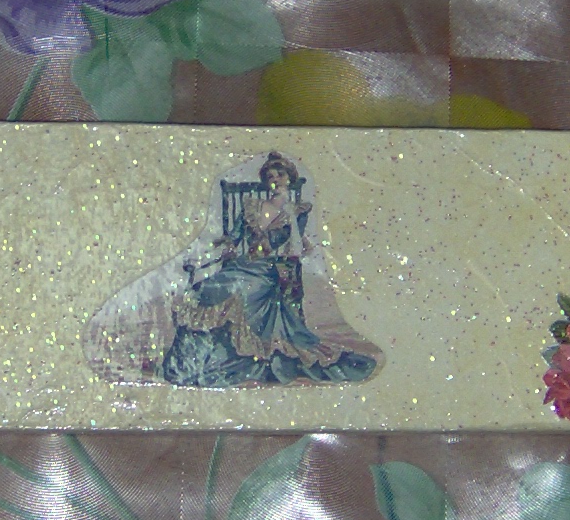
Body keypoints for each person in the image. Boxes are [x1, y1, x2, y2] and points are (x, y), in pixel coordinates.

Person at [84, 154, 383, 388]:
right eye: (270, 176)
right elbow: (237, 235)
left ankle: (238, 355)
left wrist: (290, 217)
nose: (274, 180)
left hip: (272, 268)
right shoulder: (252, 205)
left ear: (289, 178)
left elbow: (295, 248)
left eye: (279, 175)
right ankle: (197, 359)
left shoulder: (297, 210)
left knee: (241, 289)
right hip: (242, 263)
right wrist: (226, 245)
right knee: (206, 288)